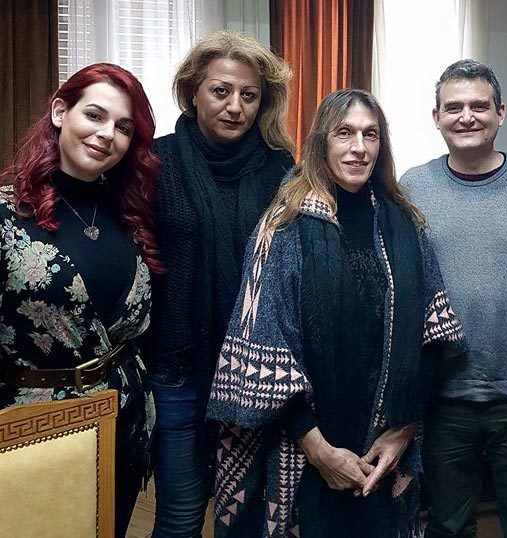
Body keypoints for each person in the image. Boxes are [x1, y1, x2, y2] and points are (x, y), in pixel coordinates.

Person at [205, 88, 465, 537]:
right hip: (304, 447)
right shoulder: (283, 226)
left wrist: (402, 430)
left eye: (370, 134)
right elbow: (263, 347)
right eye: (344, 133)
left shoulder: (405, 223)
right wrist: (318, 449)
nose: (358, 147)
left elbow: (433, 334)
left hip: (386, 443)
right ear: (321, 142)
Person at [400, 60, 507, 538]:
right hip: (444, 397)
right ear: (436, 117)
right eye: (454, 107)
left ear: (500, 113)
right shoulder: (413, 186)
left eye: (479, 106)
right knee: (447, 525)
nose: (467, 116)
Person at [144, 30, 295, 537]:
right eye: (221, 91)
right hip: (178, 368)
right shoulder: (154, 163)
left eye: (249, 95)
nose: (235, 106)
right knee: (182, 517)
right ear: (193, 92)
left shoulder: (280, 169)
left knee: (250, 518)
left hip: (253, 372)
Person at [0, 63, 161, 537]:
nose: (107, 133)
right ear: (59, 112)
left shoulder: (131, 215)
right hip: (33, 430)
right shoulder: (7, 214)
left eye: (123, 127)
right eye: (94, 115)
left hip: (124, 423)